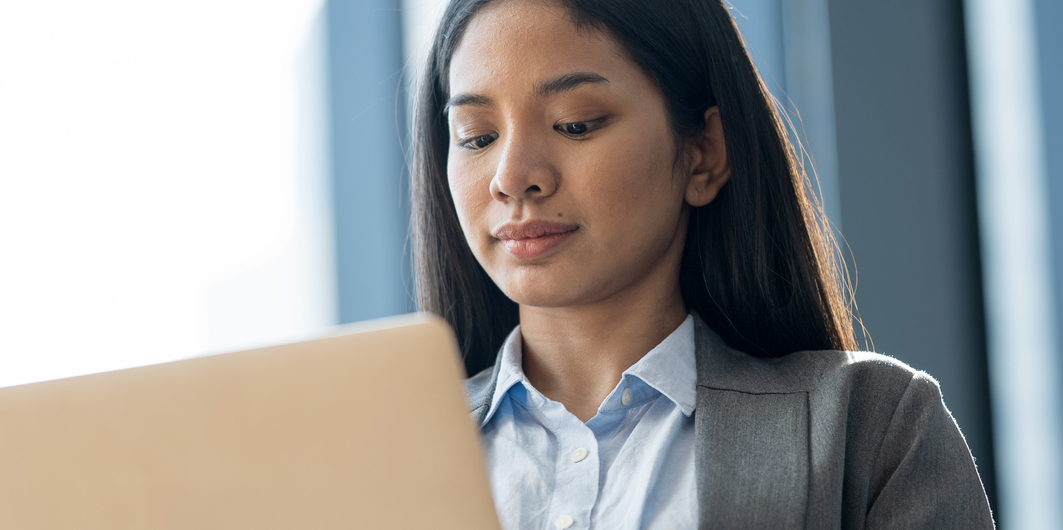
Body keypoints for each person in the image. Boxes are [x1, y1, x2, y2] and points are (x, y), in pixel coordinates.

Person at [409, 0, 997, 527]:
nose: (512, 178)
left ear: (704, 153)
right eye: (477, 137)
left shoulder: (872, 429)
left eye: (576, 124)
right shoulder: (387, 450)